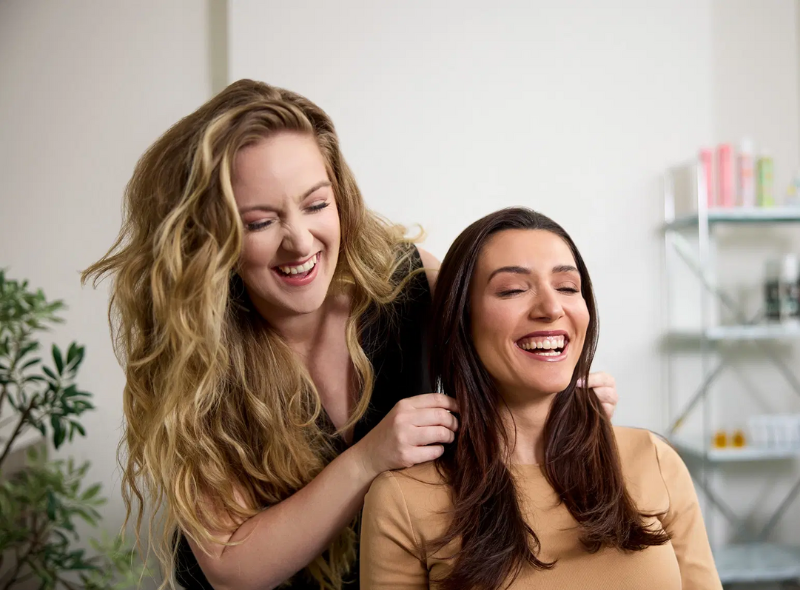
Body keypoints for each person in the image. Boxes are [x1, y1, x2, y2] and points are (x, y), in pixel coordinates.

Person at [82, 81, 619, 590]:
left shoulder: (411, 283)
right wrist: (368, 458)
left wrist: (562, 397)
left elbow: (505, 357)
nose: (300, 242)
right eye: (260, 222)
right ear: (207, 235)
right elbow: (231, 567)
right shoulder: (193, 350)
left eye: (316, 205)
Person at [360, 207, 721, 590]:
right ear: (461, 321)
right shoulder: (402, 500)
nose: (551, 308)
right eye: (513, 290)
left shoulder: (654, 460)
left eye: (567, 287)